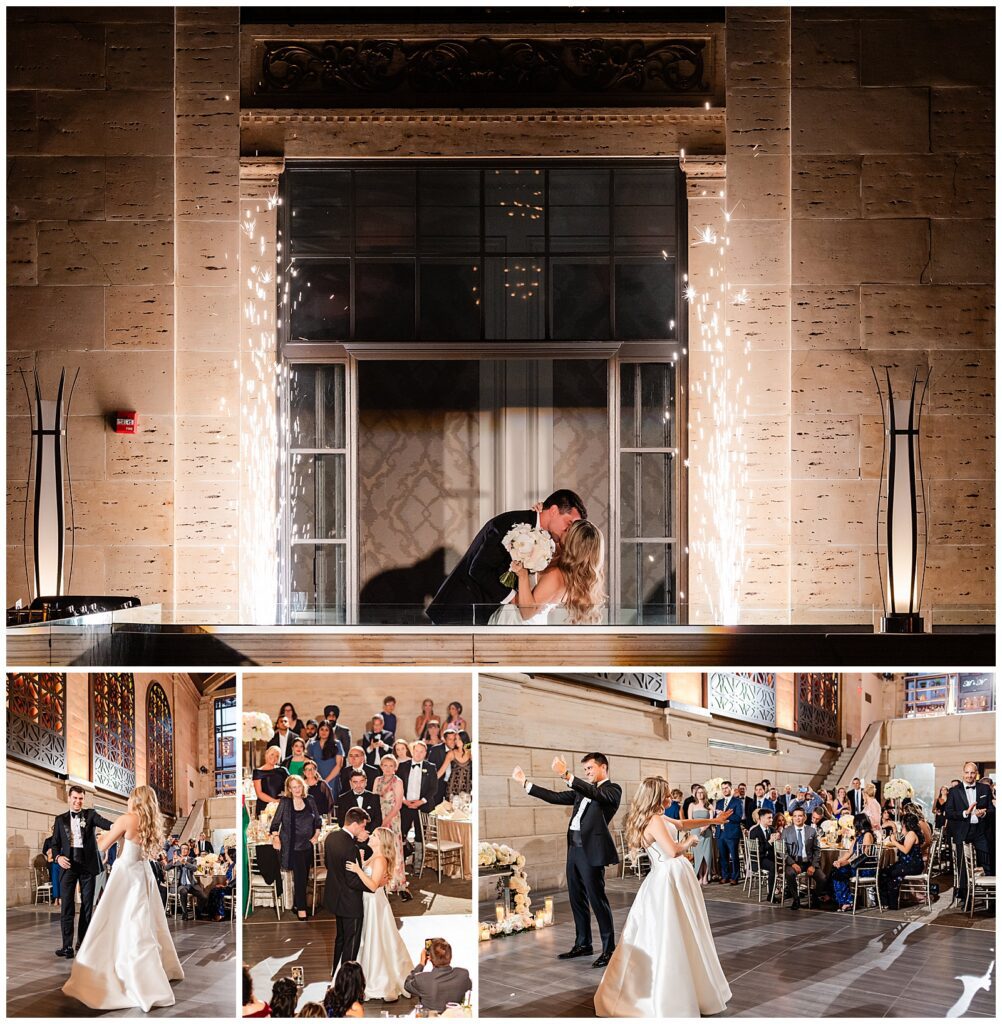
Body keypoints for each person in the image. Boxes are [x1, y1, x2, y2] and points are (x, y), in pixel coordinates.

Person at [593, 777, 732, 1018]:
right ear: (657, 795)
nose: (670, 797)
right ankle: (668, 996)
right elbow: (672, 850)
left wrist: (712, 820)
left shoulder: (656, 816)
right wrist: (692, 840)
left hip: (672, 876)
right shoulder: (654, 819)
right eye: (666, 793)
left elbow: (682, 823)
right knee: (670, 932)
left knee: (683, 930)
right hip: (668, 877)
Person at [62, 786, 183, 1010]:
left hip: (126, 874)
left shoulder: (127, 819)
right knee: (141, 923)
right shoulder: (150, 822)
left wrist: (94, 836)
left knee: (114, 921)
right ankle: (150, 972)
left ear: (134, 800)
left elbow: (101, 846)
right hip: (142, 872)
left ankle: (126, 974)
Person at [514, 753, 621, 967]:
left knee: (597, 900)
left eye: (590, 768)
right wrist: (526, 783)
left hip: (590, 852)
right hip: (573, 850)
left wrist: (565, 773)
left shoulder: (612, 790)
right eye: (585, 770)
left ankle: (609, 950)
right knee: (576, 898)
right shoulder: (582, 792)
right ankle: (583, 944)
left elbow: (595, 793)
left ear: (603, 767)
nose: (588, 773)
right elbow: (555, 797)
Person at [427, 488, 588, 625]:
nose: (570, 530)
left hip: (489, 617)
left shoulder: (550, 540)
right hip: (461, 610)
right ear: (553, 511)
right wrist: (514, 598)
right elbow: (478, 569)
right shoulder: (511, 524)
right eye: (569, 523)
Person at [491, 517, 605, 625]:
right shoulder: (561, 565)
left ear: (573, 542)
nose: (563, 530)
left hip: (519, 625)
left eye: (567, 530)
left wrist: (523, 575)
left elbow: (526, 613)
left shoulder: (556, 575)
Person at [347, 826, 413, 1000]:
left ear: (381, 841)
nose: (371, 835)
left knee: (375, 937)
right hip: (369, 901)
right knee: (370, 938)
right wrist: (362, 863)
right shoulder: (374, 857)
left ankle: (379, 979)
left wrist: (358, 869)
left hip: (374, 902)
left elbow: (372, 885)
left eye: (375, 835)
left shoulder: (380, 860)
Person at [49, 785, 115, 958]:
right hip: (68, 866)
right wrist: (57, 858)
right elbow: (54, 843)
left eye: (81, 798)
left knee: (87, 906)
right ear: (69, 798)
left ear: (83, 799)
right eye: (75, 798)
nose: (78, 801)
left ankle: (82, 943)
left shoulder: (90, 815)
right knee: (67, 906)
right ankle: (67, 946)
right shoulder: (60, 819)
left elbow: (107, 824)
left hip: (87, 866)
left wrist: (121, 825)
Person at [323, 810, 371, 979]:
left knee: (341, 938)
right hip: (350, 901)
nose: (364, 829)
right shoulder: (351, 847)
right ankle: (346, 979)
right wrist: (372, 886)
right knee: (352, 942)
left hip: (335, 897)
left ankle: (335, 972)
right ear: (355, 824)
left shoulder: (331, 837)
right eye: (363, 826)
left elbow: (328, 864)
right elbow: (352, 880)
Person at [270, 774, 322, 920]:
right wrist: (276, 837)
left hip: (308, 844)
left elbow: (317, 821)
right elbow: (275, 823)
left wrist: (315, 837)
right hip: (293, 846)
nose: (297, 789)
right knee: (299, 878)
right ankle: (302, 909)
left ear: (302, 786)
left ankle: (296, 905)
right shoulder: (285, 802)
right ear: (289, 789)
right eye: (294, 787)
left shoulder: (310, 800)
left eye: (299, 786)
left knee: (304, 877)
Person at [945, 762, 994, 906]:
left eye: (972, 773)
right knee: (963, 865)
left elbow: (992, 809)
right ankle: (964, 898)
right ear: (962, 773)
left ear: (976, 774)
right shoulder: (954, 791)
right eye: (967, 772)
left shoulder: (984, 788)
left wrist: (984, 813)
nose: (969, 776)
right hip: (963, 831)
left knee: (987, 863)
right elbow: (948, 813)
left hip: (980, 831)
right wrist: (964, 813)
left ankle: (990, 898)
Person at [373, 754, 411, 900]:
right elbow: (374, 799)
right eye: (385, 765)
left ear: (395, 767)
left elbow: (398, 805)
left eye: (391, 766)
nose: (388, 768)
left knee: (394, 849)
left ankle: (399, 883)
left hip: (392, 818)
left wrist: (386, 821)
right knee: (380, 850)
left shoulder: (398, 781)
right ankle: (382, 881)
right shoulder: (377, 780)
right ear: (381, 766)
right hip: (378, 816)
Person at [404, 938, 472, 1013]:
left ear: (429, 957)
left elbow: (407, 984)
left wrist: (421, 964)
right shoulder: (463, 974)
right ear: (450, 956)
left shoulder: (422, 979)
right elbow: (469, 986)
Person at [829, 813, 877, 912]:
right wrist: (839, 861)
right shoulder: (859, 836)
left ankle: (847, 901)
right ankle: (842, 899)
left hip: (864, 868)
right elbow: (849, 852)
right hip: (856, 866)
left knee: (840, 873)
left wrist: (846, 863)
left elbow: (864, 855)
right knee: (836, 870)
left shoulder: (868, 835)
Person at [781, 807, 826, 910]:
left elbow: (817, 850)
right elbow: (783, 852)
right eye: (795, 816)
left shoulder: (811, 831)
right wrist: (792, 863)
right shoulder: (786, 831)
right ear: (792, 818)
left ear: (805, 817)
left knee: (822, 878)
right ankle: (796, 900)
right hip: (794, 861)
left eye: (800, 816)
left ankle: (814, 898)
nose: (797, 818)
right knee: (789, 874)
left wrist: (813, 865)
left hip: (809, 862)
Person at [880, 812, 926, 910]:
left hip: (913, 865)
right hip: (908, 864)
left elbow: (905, 850)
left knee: (887, 873)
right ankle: (888, 902)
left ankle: (889, 903)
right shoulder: (909, 833)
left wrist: (894, 842)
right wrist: (897, 830)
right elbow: (902, 839)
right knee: (886, 872)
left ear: (906, 823)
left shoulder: (911, 834)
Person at [398, 740, 440, 846]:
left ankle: (418, 861)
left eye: (422, 751)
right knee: (401, 833)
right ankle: (402, 859)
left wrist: (421, 802)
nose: (418, 754)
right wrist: (404, 800)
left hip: (423, 806)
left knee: (420, 836)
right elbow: (398, 785)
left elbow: (433, 788)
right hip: (405, 806)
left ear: (425, 753)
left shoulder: (431, 767)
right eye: (416, 751)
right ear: (412, 751)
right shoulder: (403, 766)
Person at [748, 807, 780, 901]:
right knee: (773, 866)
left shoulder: (772, 829)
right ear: (761, 819)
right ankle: (771, 895)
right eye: (769, 818)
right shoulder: (754, 831)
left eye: (771, 817)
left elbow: (774, 848)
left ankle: (787, 890)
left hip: (771, 856)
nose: (771, 820)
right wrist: (769, 842)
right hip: (759, 859)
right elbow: (757, 850)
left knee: (785, 862)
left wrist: (777, 841)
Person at [714, 782, 743, 885]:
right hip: (720, 833)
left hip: (732, 833)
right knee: (723, 856)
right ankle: (725, 876)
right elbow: (716, 817)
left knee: (734, 857)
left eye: (726, 788)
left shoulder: (737, 802)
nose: (724, 790)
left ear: (731, 789)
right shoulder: (719, 802)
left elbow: (738, 817)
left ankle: (735, 877)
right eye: (723, 788)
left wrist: (725, 815)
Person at [306, 721, 344, 800]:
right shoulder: (312, 745)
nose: (324, 732)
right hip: (316, 779)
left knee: (331, 804)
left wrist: (325, 781)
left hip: (332, 779)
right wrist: (318, 780)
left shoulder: (337, 744)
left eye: (327, 730)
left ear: (330, 732)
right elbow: (309, 764)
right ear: (318, 730)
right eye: (322, 729)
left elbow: (339, 765)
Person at [688, 785, 714, 886]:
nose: (700, 794)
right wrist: (697, 829)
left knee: (706, 855)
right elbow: (690, 820)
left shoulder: (709, 805)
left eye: (702, 792)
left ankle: (705, 876)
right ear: (695, 794)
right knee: (698, 855)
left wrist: (705, 828)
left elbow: (712, 820)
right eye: (698, 792)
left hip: (706, 833)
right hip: (695, 833)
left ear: (705, 793)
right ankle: (699, 876)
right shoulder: (692, 805)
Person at [253, 746, 290, 817]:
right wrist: (275, 802)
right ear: (266, 754)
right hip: (264, 807)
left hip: (281, 806)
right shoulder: (258, 772)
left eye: (277, 756)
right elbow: (259, 793)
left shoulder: (283, 770)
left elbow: (291, 784)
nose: (274, 757)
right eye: (272, 754)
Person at [172, 843, 204, 920]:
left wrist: (185, 863)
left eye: (186, 849)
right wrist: (173, 862)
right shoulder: (176, 860)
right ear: (180, 850)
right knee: (183, 892)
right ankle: (184, 913)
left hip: (192, 884)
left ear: (189, 851)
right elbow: (166, 868)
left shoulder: (193, 860)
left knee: (204, 896)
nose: (184, 850)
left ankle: (198, 913)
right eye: (182, 849)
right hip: (181, 884)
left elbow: (195, 868)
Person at [439, 730, 473, 800]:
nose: (456, 741)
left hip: (466, 789)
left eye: (459, 739)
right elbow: (441, 770)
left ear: (464, 739)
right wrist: (429, 782)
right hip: (452, 789)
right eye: (455, 739)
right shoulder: (451, 753)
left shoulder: (470, 753)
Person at [42, 832, 61, 908]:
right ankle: (55, 898)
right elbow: (44, 851)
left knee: (62, 881)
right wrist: (49, 854)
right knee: (55, 881)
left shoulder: (62, 839)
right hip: (53, 863)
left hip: (62, 862)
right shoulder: (48, 840)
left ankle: (61, 898)